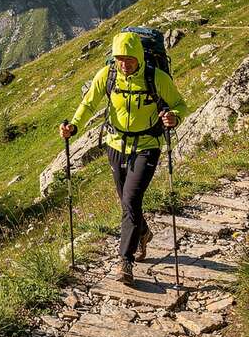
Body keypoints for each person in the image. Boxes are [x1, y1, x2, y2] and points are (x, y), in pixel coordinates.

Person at [60, 31, 187, 284]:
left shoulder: (156, 77)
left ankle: (125, 262)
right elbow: (89, 103)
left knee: (130, 198)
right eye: (119, 59)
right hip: (115, 144)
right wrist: (73, 126)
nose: (124, 64)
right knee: (127, 202)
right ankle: (143, 233)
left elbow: (180, 104)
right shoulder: (107, 75)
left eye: (129, 59)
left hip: (147, 145)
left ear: (139, 57)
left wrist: (174, 117)